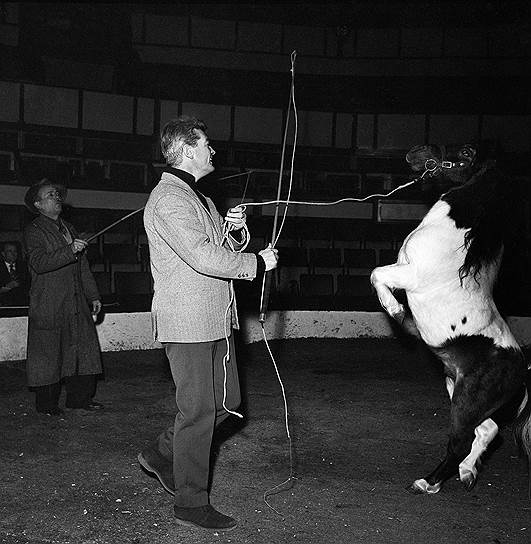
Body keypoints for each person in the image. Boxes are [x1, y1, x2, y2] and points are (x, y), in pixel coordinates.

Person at [139, 116, 278, 532]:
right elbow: (202, 258)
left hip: (217, 318)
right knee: (199, 412)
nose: (212, 151)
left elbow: (217, 248)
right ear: (186, 149)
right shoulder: (169, 199)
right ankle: (190, 504)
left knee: (229, 404)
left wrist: (234, 231)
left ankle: (164, 453)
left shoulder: (198, 197)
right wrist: (255, 262)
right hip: (188, 322)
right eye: (206, 144)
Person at [23, 179, 104, 416]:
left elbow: (83, 266)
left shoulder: (69, 227)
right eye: (50, 195)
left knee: (81, 347)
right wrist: (70, 250)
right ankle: (47, 404)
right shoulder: (34, 231)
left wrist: (93, 294)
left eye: (57, 194)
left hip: (75, 300)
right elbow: (38, 263)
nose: (57, 197)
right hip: (50, 300)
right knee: (49, 353)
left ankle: (79, 399)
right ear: (38, 204)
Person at [0, 242, 28, 306]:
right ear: (3, 254)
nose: (13, 254)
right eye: (10, 251)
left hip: (22, 304)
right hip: (3, 305)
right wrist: (6, 287)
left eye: (15, 251)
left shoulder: (24, 267)